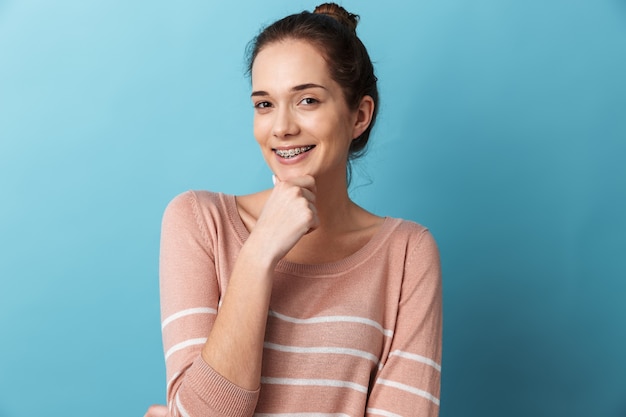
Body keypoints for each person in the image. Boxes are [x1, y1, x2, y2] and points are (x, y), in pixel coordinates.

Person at [145, 3, 442, 416]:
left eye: (307, 100)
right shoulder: (198, 222)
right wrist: (260, 250)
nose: (281, 127)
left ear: (359, 116)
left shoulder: (408, 254)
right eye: (264, 104)